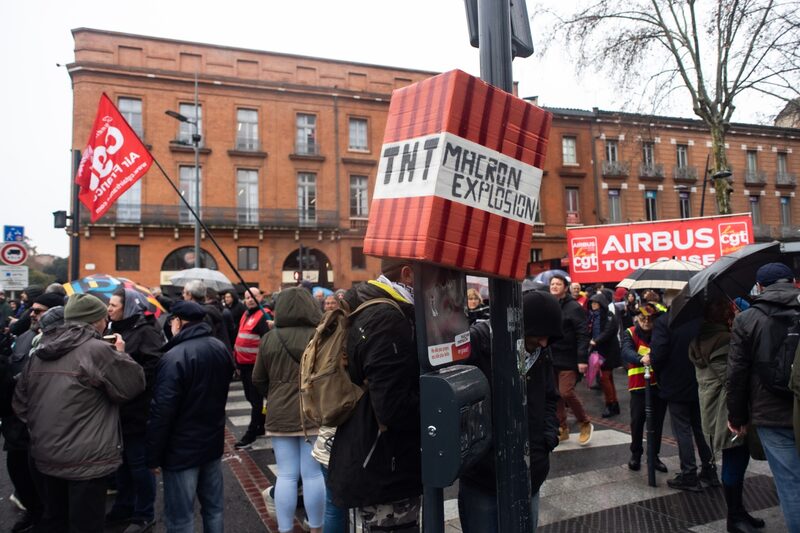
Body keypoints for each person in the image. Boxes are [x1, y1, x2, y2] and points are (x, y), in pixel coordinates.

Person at [13, 293, 145, 532]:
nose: (106, 321)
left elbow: (21, 403)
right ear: (94, 321)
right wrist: (121, 355)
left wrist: (45, 429)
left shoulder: (42, 347)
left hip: (46, 454)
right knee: (86, 524)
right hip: (87, 460)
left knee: (56, 521)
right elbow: (132, 386)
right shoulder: (96, 350)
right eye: (103, 317)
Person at [328, 258, 421, 532]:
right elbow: (393, 408)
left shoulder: (374, 307)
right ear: (407, 274)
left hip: (374, 457)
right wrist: (439, 400)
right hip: (382, 467)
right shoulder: (387, 319)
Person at [458, 289, 561, 532]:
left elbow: (549, 397)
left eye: (549, 337)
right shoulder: (478, 344)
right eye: (539, 335)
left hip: (530, 472)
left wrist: (547, 438)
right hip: (484, 476)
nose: (544, 342)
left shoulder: (542, 352)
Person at [146, 300, 233, 533]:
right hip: (211, 441)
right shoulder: (218, 346)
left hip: (181, 449)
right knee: (213, 509)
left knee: (180, 518)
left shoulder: (174, 357)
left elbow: (162, 410)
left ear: (178, 322)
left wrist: (153, 455)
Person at [728, 262, 800, 532]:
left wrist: (736, 416)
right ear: (792, 280)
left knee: (790, 483)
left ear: (759, 287)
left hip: (771, 413)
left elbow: (737, 374)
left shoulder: (747, 319)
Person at [252, 287, 325, 533]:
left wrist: (273, 395)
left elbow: (258, 379)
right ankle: (316, 527)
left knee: (286, 475)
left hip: (280, 412)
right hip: (314, 410)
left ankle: (285, 529)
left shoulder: (270, 339)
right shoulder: (320, 336)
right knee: (313, 474)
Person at [689, 298, 764, 533]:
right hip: (728, 411)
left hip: (713, 409)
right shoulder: (726, 340)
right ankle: (734, 518)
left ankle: (739, 512)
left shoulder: (700, 338)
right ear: (724, 315)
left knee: (734, 460)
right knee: (735, 461)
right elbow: (735, 378)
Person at [1, 293, 63, 532]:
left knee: (45, 484)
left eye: (39, 310)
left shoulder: (59, 343)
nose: (32, 314)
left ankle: (45, 519)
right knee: (19, 476)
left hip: (42, 426)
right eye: (32, 310)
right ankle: (34, 514)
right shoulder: (25, 337)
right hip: (15, 425)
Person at [106, 288, 165, 533]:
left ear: (127, 307)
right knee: (121, 463)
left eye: (113, 305)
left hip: (138, 410)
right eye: (108, 305)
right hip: (117, 409)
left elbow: (152, 370)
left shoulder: (145, 332)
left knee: (139, 464)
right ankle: (124, 506)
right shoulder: (112, 331)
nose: (108, 309)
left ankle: (144, 514)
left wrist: (123, 359)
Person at [650, 303, 718, 492]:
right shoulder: (700, 319)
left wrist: (660, 372)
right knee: (701, 428)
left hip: (675, 381)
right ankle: (710, 470)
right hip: (700, 378)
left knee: (682, 430)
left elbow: (658, 355)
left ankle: (689, 474)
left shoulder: (665, 322)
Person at [620, 303, 668, 473]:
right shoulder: (630, 332)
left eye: (650, 318)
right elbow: (626, 351)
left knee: (657, 423)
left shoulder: (660, 333)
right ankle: (636, 454)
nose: (646, 321)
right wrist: (641, 358)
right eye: (643, 318)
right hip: (638, 386)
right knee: (637, 422)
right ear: (637, 318)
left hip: (659, 385)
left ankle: (653, 457)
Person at [549, 274, 593, 445]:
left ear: (565, 288)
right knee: (556, 394)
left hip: (569, 357)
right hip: (552, 356)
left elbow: (583, 334)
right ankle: (562, 427)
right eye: (552, 284)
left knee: (566, 392)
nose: (554, 286)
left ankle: (585, 423)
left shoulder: (573, 307)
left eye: (558, 284)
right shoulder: (550, 305)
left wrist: (582, 359)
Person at [233, 287, 272, 448]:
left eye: (253, 297)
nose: (249, 299)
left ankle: (251, 433)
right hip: (244, 365)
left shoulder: (263, 316)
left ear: (260, 297)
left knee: (256, 401)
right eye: (247, 297)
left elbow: (267, 343)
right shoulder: (246, 313)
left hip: (256, 366)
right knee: (251, 398)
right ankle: (261, 424)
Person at [587, 293, 622, 418]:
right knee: (608, 378)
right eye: (592, 303)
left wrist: (595, 341)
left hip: (608, 352)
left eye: (596, 303)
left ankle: (610, 404)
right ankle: (614, 404)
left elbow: (609, 331)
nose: (593, 305)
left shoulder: (609, 316)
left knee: (605, 378)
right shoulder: (593, 316)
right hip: (600, 351)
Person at [182, 280, 231, 350]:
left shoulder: (198, 315)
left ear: (190, 295)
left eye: (184, 292)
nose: (183, 295)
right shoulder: (212, 311)